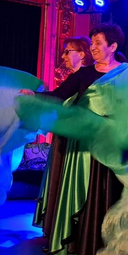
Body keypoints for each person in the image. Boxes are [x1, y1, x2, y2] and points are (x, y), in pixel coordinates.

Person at [26, 23, 128, 255]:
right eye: (92, 44)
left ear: (113, 46)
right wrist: (34, 96)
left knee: (110, 196)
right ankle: (79, 247)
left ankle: (109, 249)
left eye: (98, 43)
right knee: (85, 194)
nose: (93, 48)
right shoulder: (84, 74)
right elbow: (59, 95)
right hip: (84, 148)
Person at [32, 36, 92, 233]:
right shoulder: (74, 79)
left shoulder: (86, 78)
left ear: (81, 54)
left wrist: (34, 96)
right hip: (63, 139)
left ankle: (69, 228)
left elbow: (58, 97)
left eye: (67, 51)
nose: (63, 56)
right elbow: (58, 97)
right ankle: (57, 226)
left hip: (76, 142)